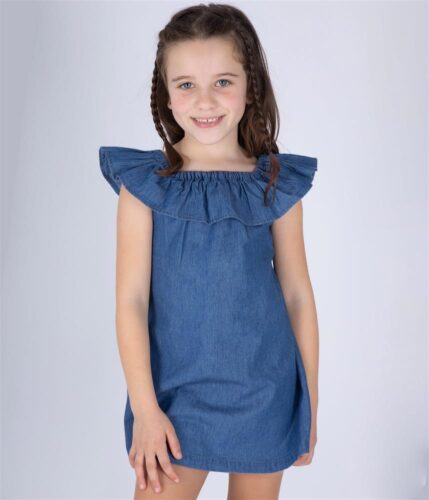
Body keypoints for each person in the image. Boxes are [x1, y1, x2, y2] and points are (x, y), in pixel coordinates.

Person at [99, 3, 319, 499]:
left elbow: (298, 296)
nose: (205, 101)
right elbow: (131, 301)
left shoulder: (275, 185)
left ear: (250, 86)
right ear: (166, 94)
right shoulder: (145, 186)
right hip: (173, 400)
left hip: (264, 393)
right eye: (186, 84)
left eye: (223, 81)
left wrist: (309, 404)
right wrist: (146, 409)